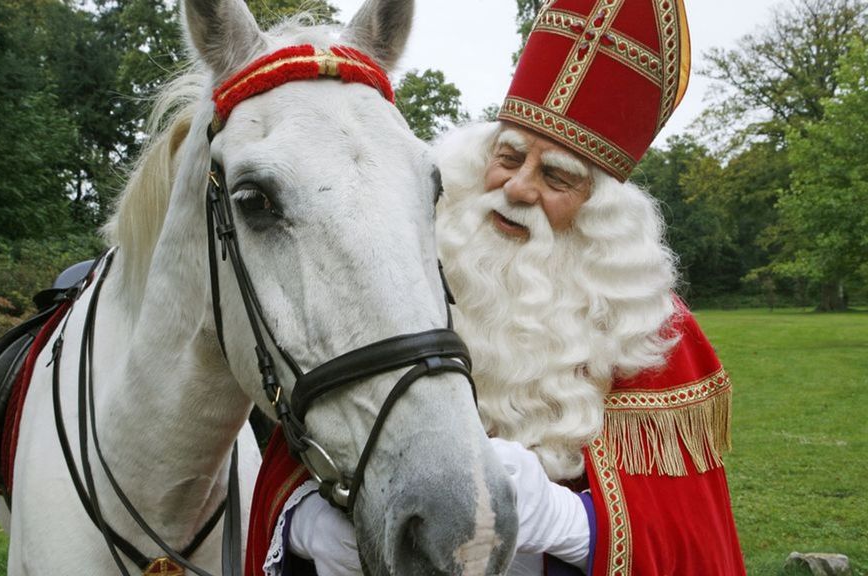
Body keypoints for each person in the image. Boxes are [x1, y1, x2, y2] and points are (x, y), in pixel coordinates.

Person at [245, 0, 747, 574]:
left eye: (556, 176)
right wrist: (302, 518)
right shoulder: (399, 268)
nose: (518, 188)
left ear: (603, 214)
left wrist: (568, 522)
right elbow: (302, 427)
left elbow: (690, 539)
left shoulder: (648, 331)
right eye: (508, 156)